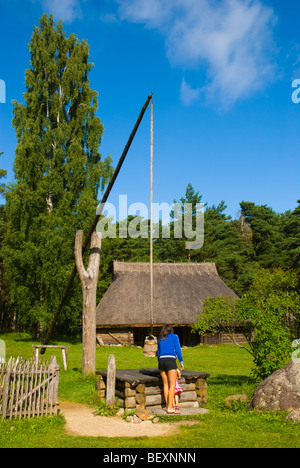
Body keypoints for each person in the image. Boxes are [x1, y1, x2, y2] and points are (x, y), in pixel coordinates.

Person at [156, 324, 184, 414]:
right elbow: (178, 349)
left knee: (165, 384)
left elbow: (158, 353)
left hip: (161, 361)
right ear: (171, 330)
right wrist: (181, 362)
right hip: (170, 360)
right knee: (172, 385)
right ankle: (170, 407)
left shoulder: (160, 339)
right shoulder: (174, 336)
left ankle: (166, 405)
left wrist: (160, 362)